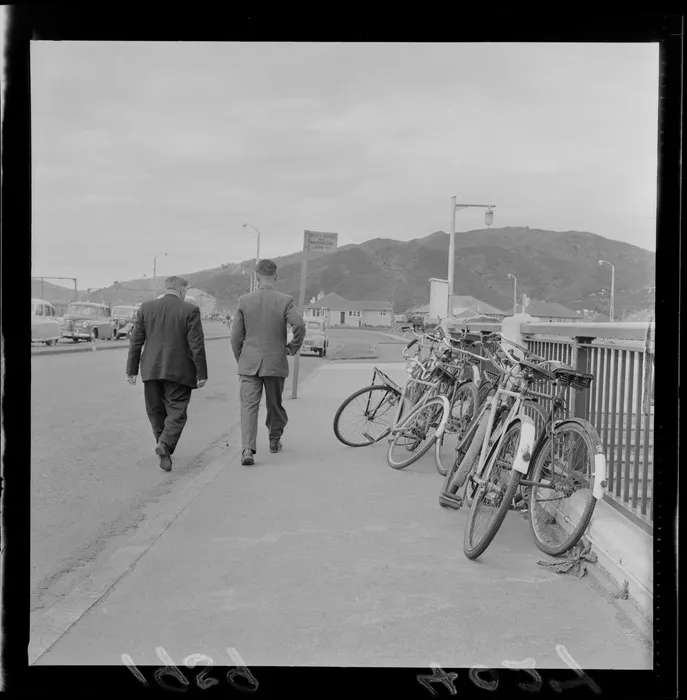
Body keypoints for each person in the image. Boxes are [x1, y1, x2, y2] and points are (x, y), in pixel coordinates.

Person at [126, 275, 208, 472]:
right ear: (181, 290)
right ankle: (165, 445)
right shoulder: (190, 310)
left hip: (151, 369)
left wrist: (131, 370)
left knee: (156, 411)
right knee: (177, 411)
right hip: (179, 370)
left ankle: (163, 445)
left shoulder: (146, 308)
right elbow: (196, 345)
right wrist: (202, 373)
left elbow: (136, 341)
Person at [230, 259, 305, 466]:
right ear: (276, 276)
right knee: (274, 404)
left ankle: (247, 449)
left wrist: (242, 359)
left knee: (248, 407)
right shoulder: (285, 300)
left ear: (256, 276)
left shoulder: (244, 300)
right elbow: (298, 323)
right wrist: (292, 347)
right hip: (275, 362)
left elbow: (236, 337)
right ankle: (274, 440)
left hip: (249, 363)